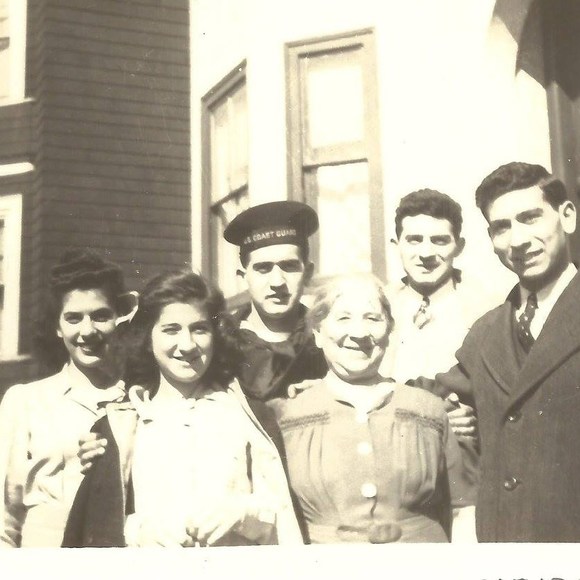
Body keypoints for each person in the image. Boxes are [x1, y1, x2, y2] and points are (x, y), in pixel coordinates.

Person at [63, 271, 301, 547]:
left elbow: (283, 516)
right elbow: (99, 525)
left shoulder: (248, 416)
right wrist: (142, 531)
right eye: (171, 329)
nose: (187, 345)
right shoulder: (120, 427)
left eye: (199, 329)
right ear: (148, 338)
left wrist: (242, 514)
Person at [429, 161, 580, 541]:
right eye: (502, 227)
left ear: (567, 217)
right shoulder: (486, 332)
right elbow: (437, 394)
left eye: (530, 218)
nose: (518, 240)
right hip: (505, 544)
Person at [270, 274, 476, 543]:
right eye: (343, 318)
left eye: (372, 318)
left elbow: (463, 510)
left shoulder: (431, 410)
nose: (359, 333)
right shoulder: (286, 416)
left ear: (389, 332)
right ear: (318, 334)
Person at [0, 249, 136, 547]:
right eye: (73, 318)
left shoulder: (139, 400)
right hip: (41, 560)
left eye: (101, 316)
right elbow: (3, 515)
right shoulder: (26, 402)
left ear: (119, 318)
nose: (87, 331)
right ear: (57, 327)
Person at [382, 189, 501, 384]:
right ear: (397, 246)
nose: (426, 253)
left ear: (459, 247)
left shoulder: (489, 312)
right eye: (414, 240)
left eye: (439, 241)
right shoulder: (378, 307)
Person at [223, 201, 327, 402]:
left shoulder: (328, 339)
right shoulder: (221, 343)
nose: (277, 282)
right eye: (263, 268)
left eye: (289, 266)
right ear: (243, 277)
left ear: (308, 273)